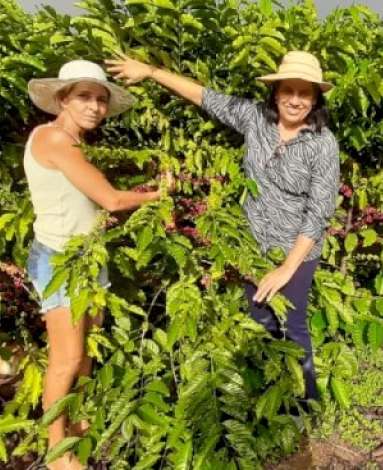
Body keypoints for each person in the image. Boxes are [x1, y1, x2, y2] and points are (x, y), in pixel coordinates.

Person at [106, 51, 340, 402]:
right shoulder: (256, 119)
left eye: (304, 93)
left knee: (292, 328)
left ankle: (304, 404)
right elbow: (205, 97)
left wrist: (284, 270)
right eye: (288, 91)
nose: (295, 100)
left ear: (315, 98)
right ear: (275, 93)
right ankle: (266, 398)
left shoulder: (322, 144)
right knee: (259, 322)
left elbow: (318, 213)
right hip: (251, 246)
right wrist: (151, 72)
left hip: (295, 252)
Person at [25, 60, 171, 470]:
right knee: (67, 359)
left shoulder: (71, 141)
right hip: (59, 261)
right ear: (62, 98)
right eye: (84, 96)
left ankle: (78, 430)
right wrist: (159, 194)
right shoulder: (55, 139)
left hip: (88, 260)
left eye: (101, 99)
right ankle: (57, 452)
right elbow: (111, 200)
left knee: (87, 352)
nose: (94, 106)